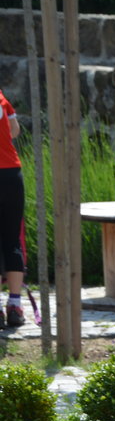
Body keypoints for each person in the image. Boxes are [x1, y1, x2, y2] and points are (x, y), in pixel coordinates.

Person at [0, 87, 25, 329]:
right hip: (10, 173)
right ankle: (15, 305)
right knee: (12, 239)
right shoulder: (1, 98)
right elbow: (14, 130)